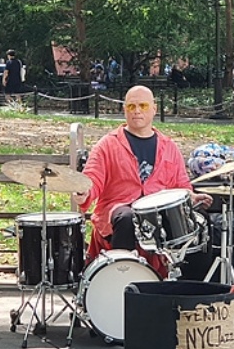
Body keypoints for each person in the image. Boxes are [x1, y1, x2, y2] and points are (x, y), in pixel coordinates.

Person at [72, 86, 213, 268]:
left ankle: (196, 286)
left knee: (201, 219)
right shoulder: (107, 144)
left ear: (154, 109)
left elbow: (181, 185)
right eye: (131, 106)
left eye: (143, 106)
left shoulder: (169, 146)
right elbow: (92, 179)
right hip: (120, 210)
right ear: (124, 110)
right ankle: (121, 278)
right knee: (127, 218)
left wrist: (191, 197)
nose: (137, 111)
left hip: (159, 215)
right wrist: (84, 192)